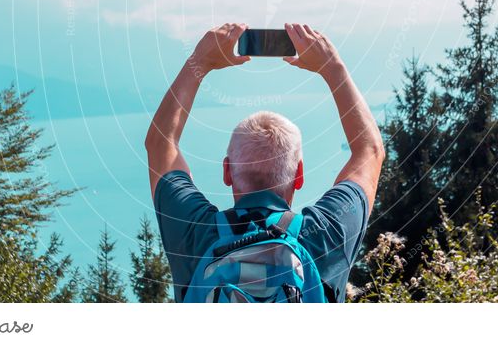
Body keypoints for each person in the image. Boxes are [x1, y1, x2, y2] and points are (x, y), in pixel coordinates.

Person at [145, 22, 385, 302]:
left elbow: (160, 143)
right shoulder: (324, 233)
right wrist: (333, 68)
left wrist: (199, 63)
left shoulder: (195, 232)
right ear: (299, 175)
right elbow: (370, 150)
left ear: (227, 172)